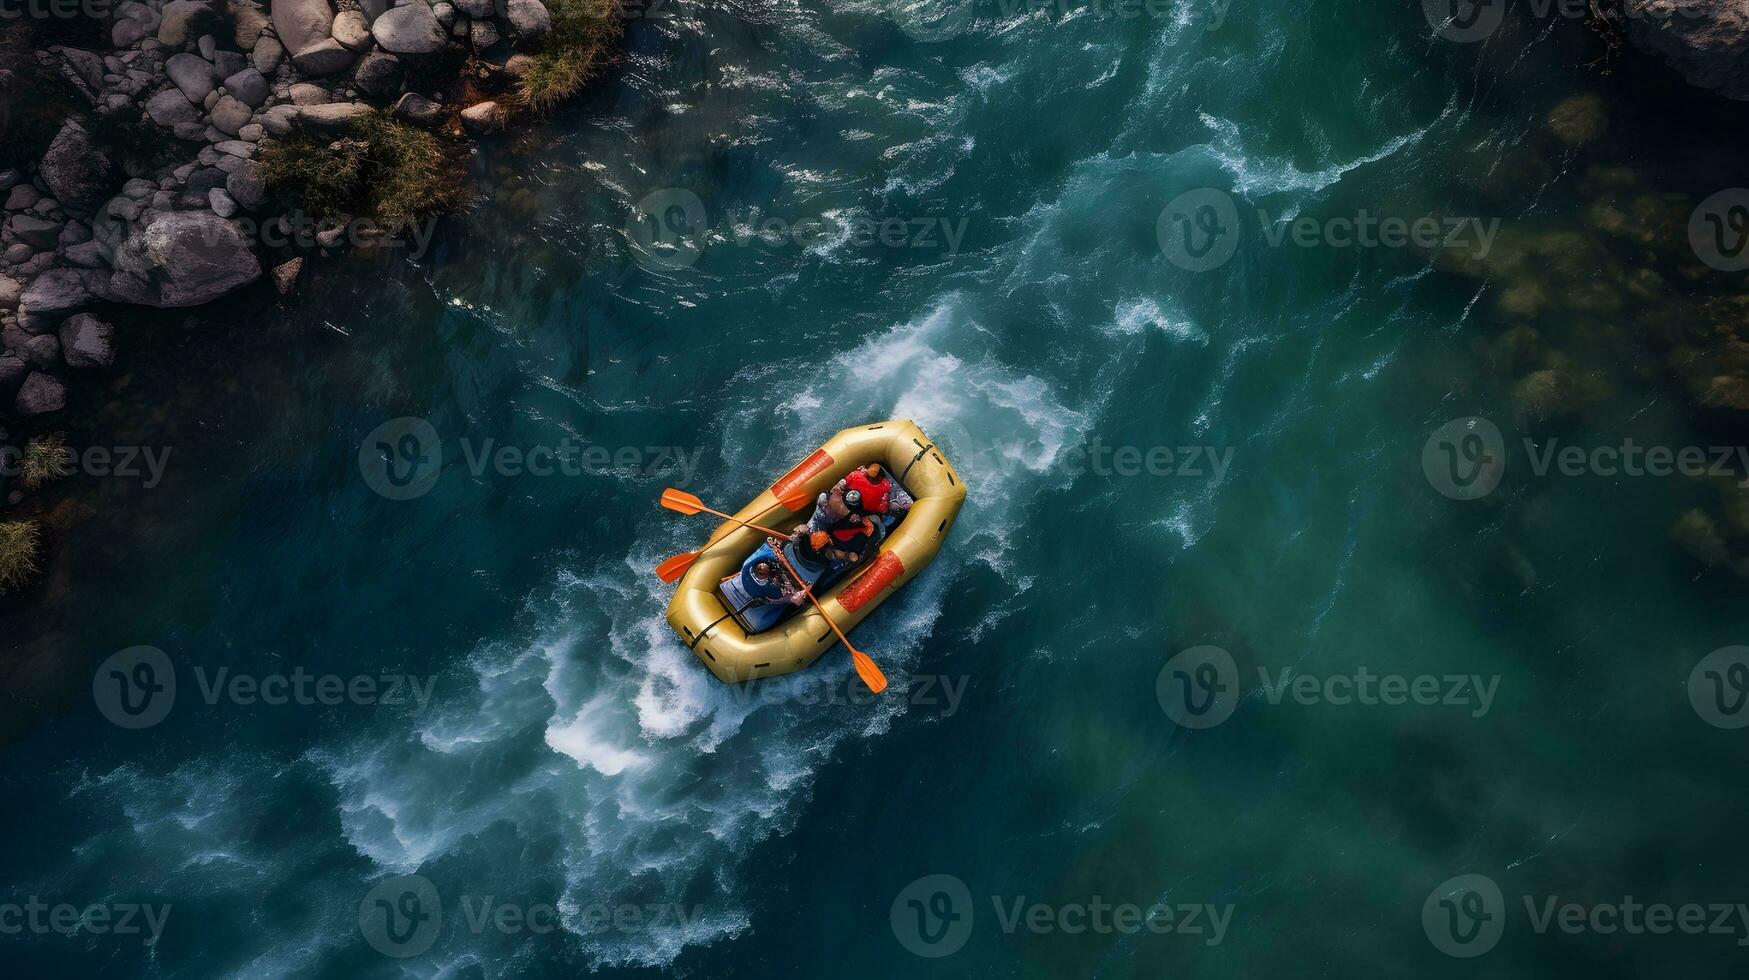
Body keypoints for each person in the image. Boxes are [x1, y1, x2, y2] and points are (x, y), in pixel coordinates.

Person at [836, 463, 912, 529]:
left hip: (857, 506)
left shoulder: (856, 476)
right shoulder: (885, 486)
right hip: (862, 508)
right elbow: (884, 508)